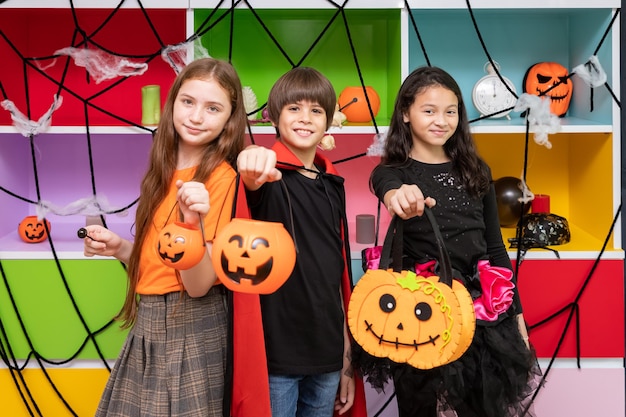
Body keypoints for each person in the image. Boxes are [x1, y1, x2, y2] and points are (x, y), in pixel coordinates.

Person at [354, 66, 540, 417]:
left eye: (450, 111)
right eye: (429, 110)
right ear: (406, 114)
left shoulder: (476, 170)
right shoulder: (394, 172)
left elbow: (495, 248)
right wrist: (401, 196)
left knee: (481, 407)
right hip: (419, 313)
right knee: (418, 406)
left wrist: (516, 315)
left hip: (477, 312)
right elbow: (389, 189)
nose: (441, 120)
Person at [82, 57, 261, 417]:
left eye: (213, 108)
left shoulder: (222, 179)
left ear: (230, 118)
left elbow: (198, 284)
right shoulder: (163, 168)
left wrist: (191, 224)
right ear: (173, 102)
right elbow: (161, 259)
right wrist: (121, 249)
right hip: (149, 322)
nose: (196, 116)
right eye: (188, 102)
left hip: (191, 325)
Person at [236, 67, 366, 417]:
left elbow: (337, 280)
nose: (305, 118)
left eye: (316, 110)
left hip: (326, 353)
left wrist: (345, 362)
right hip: (277, 353)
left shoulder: (331, 182)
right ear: (274, 117)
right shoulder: (266, 175)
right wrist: (249, 168)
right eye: (294, 108)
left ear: (330, 122)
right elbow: (249, 182)